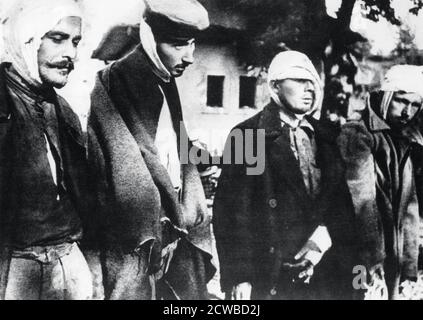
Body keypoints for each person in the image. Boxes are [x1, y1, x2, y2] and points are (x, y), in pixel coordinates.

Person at [87, 0, 215, 300]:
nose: (190, 57)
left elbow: (172, 149)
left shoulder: (163, 80)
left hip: (174, 228)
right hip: (142, 237)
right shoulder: (122, 78)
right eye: (179, 45)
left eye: (193, 44)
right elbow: (126, 162)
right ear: (149, 39)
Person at [213, 51, 356, 300]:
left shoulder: (327, 135)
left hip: (323, 266)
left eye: (313, 82)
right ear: (275, 85)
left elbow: (341, 202)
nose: (309, 89)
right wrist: (240, 276)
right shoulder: (249, 136)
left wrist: (322, 240)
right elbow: (231, 213)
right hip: (269, 272)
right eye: (300, 80)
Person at [0, 0, 92, 300]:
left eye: (75, 42)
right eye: (58, 38)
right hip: (14, 266)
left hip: (68, 259)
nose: (71, 54)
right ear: (28, 38)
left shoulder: (61, 109)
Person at [337, 65, 423, 299]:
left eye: (415, 105)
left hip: (391, 254)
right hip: (362, 253)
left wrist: (409, 268)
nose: (408, 111)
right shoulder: (359, 134)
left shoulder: (402, 139)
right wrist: (371, 261)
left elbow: (409, 207)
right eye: (401, 100)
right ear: (385, 97)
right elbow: (362, 202)